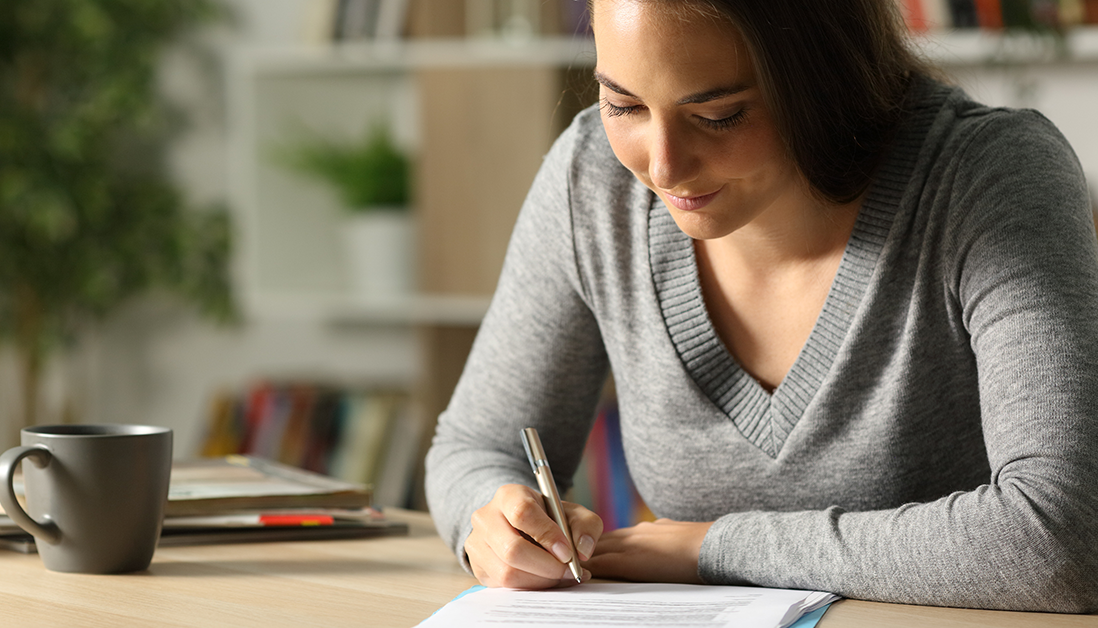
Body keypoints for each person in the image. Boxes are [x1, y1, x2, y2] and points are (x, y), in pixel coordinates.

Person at [424, 0, 1098, 613]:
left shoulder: (986, 178)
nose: (662, 167)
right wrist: (494, 520)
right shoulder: (592, 181)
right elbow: (476, 446)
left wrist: (713, 549)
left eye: (718, 116)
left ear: (825, 81)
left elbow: (1065, 536)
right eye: (623, 104)